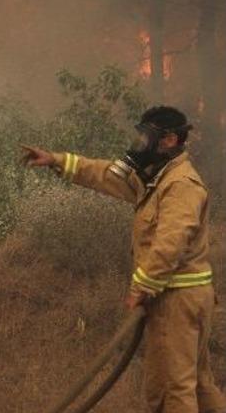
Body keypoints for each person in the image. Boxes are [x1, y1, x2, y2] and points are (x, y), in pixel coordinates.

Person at [23, 105, 226, 413]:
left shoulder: (181, 184)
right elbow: (105, 175)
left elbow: (170, 243)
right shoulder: (158, 178)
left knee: (175, 389)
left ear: (169, 140)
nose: (139, 144)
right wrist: (58, 161)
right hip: (176, 297)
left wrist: (140, 286)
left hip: (178, 300)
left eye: (146, 137)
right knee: (196, 384)